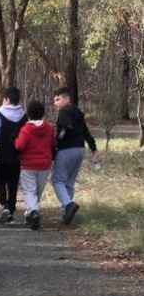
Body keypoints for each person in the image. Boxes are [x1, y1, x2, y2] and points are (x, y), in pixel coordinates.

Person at [51, 86, 100, 225]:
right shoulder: (78, 113)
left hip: (66, 149)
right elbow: (86, 132)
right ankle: (66, 213)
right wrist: (93, 149)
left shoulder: (64, 111)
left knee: (57, 180)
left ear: (67, 99)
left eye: (58, 99)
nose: (55, 103)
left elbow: (64, 129)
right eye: (54, 100)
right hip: (79, 149)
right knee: (69, 182)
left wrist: (57, 141)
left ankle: (68, 204)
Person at [14, 99, 56, 230]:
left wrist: (15, 141)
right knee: (38, 190)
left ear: (28, 114)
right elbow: (53, 144)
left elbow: (20, 146)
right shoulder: (49, 128)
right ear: (43, 113)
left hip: (28, 165)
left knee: (29, 191)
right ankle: (31, 212)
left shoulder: (25, 129)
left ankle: (33, 212)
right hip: (44, 164)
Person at [0, 87, 27, 226]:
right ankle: (11, 211)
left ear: (6, 99)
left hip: (2, 153)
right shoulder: (24, 116)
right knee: (13, 184)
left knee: (0, 182)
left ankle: (4, 206)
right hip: (17, 155)